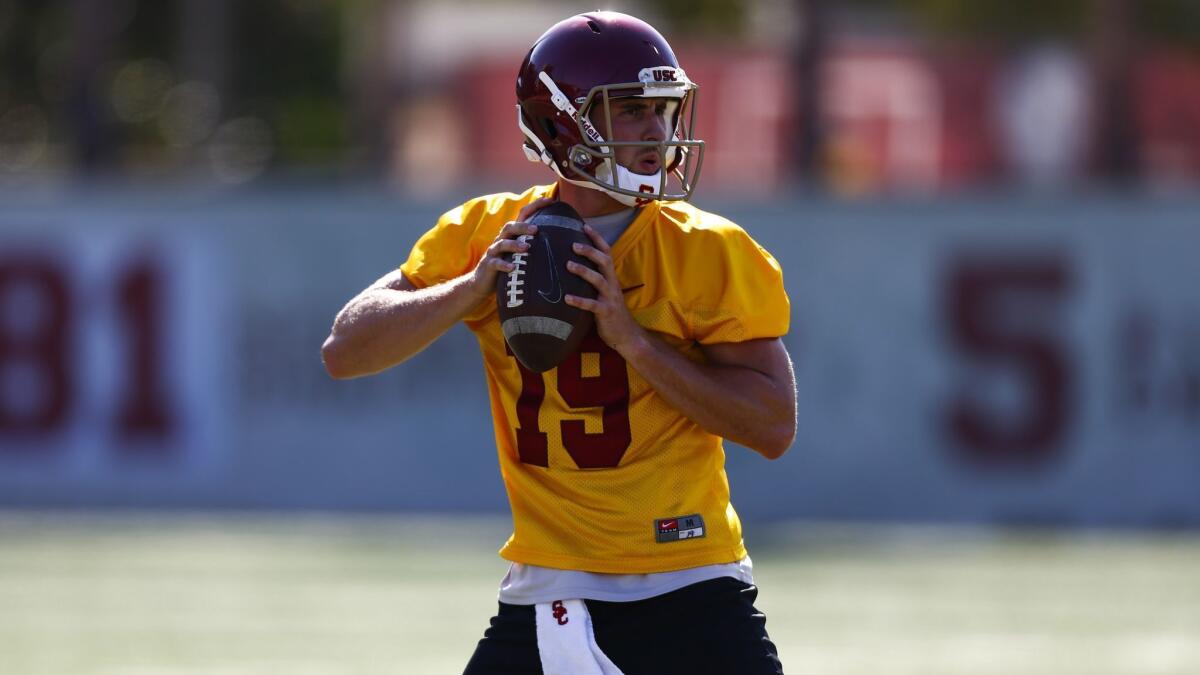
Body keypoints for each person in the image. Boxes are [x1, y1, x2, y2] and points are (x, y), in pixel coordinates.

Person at [322, 11, 795, 675]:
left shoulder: (707, 250)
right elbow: (345, 349)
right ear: (559, 125)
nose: (656, 133)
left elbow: (774, 425)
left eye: (663, 111)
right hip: (548, 591)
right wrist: (469, 289)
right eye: (630, 112)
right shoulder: (488, 233)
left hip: (691, 581)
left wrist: (635, 342)